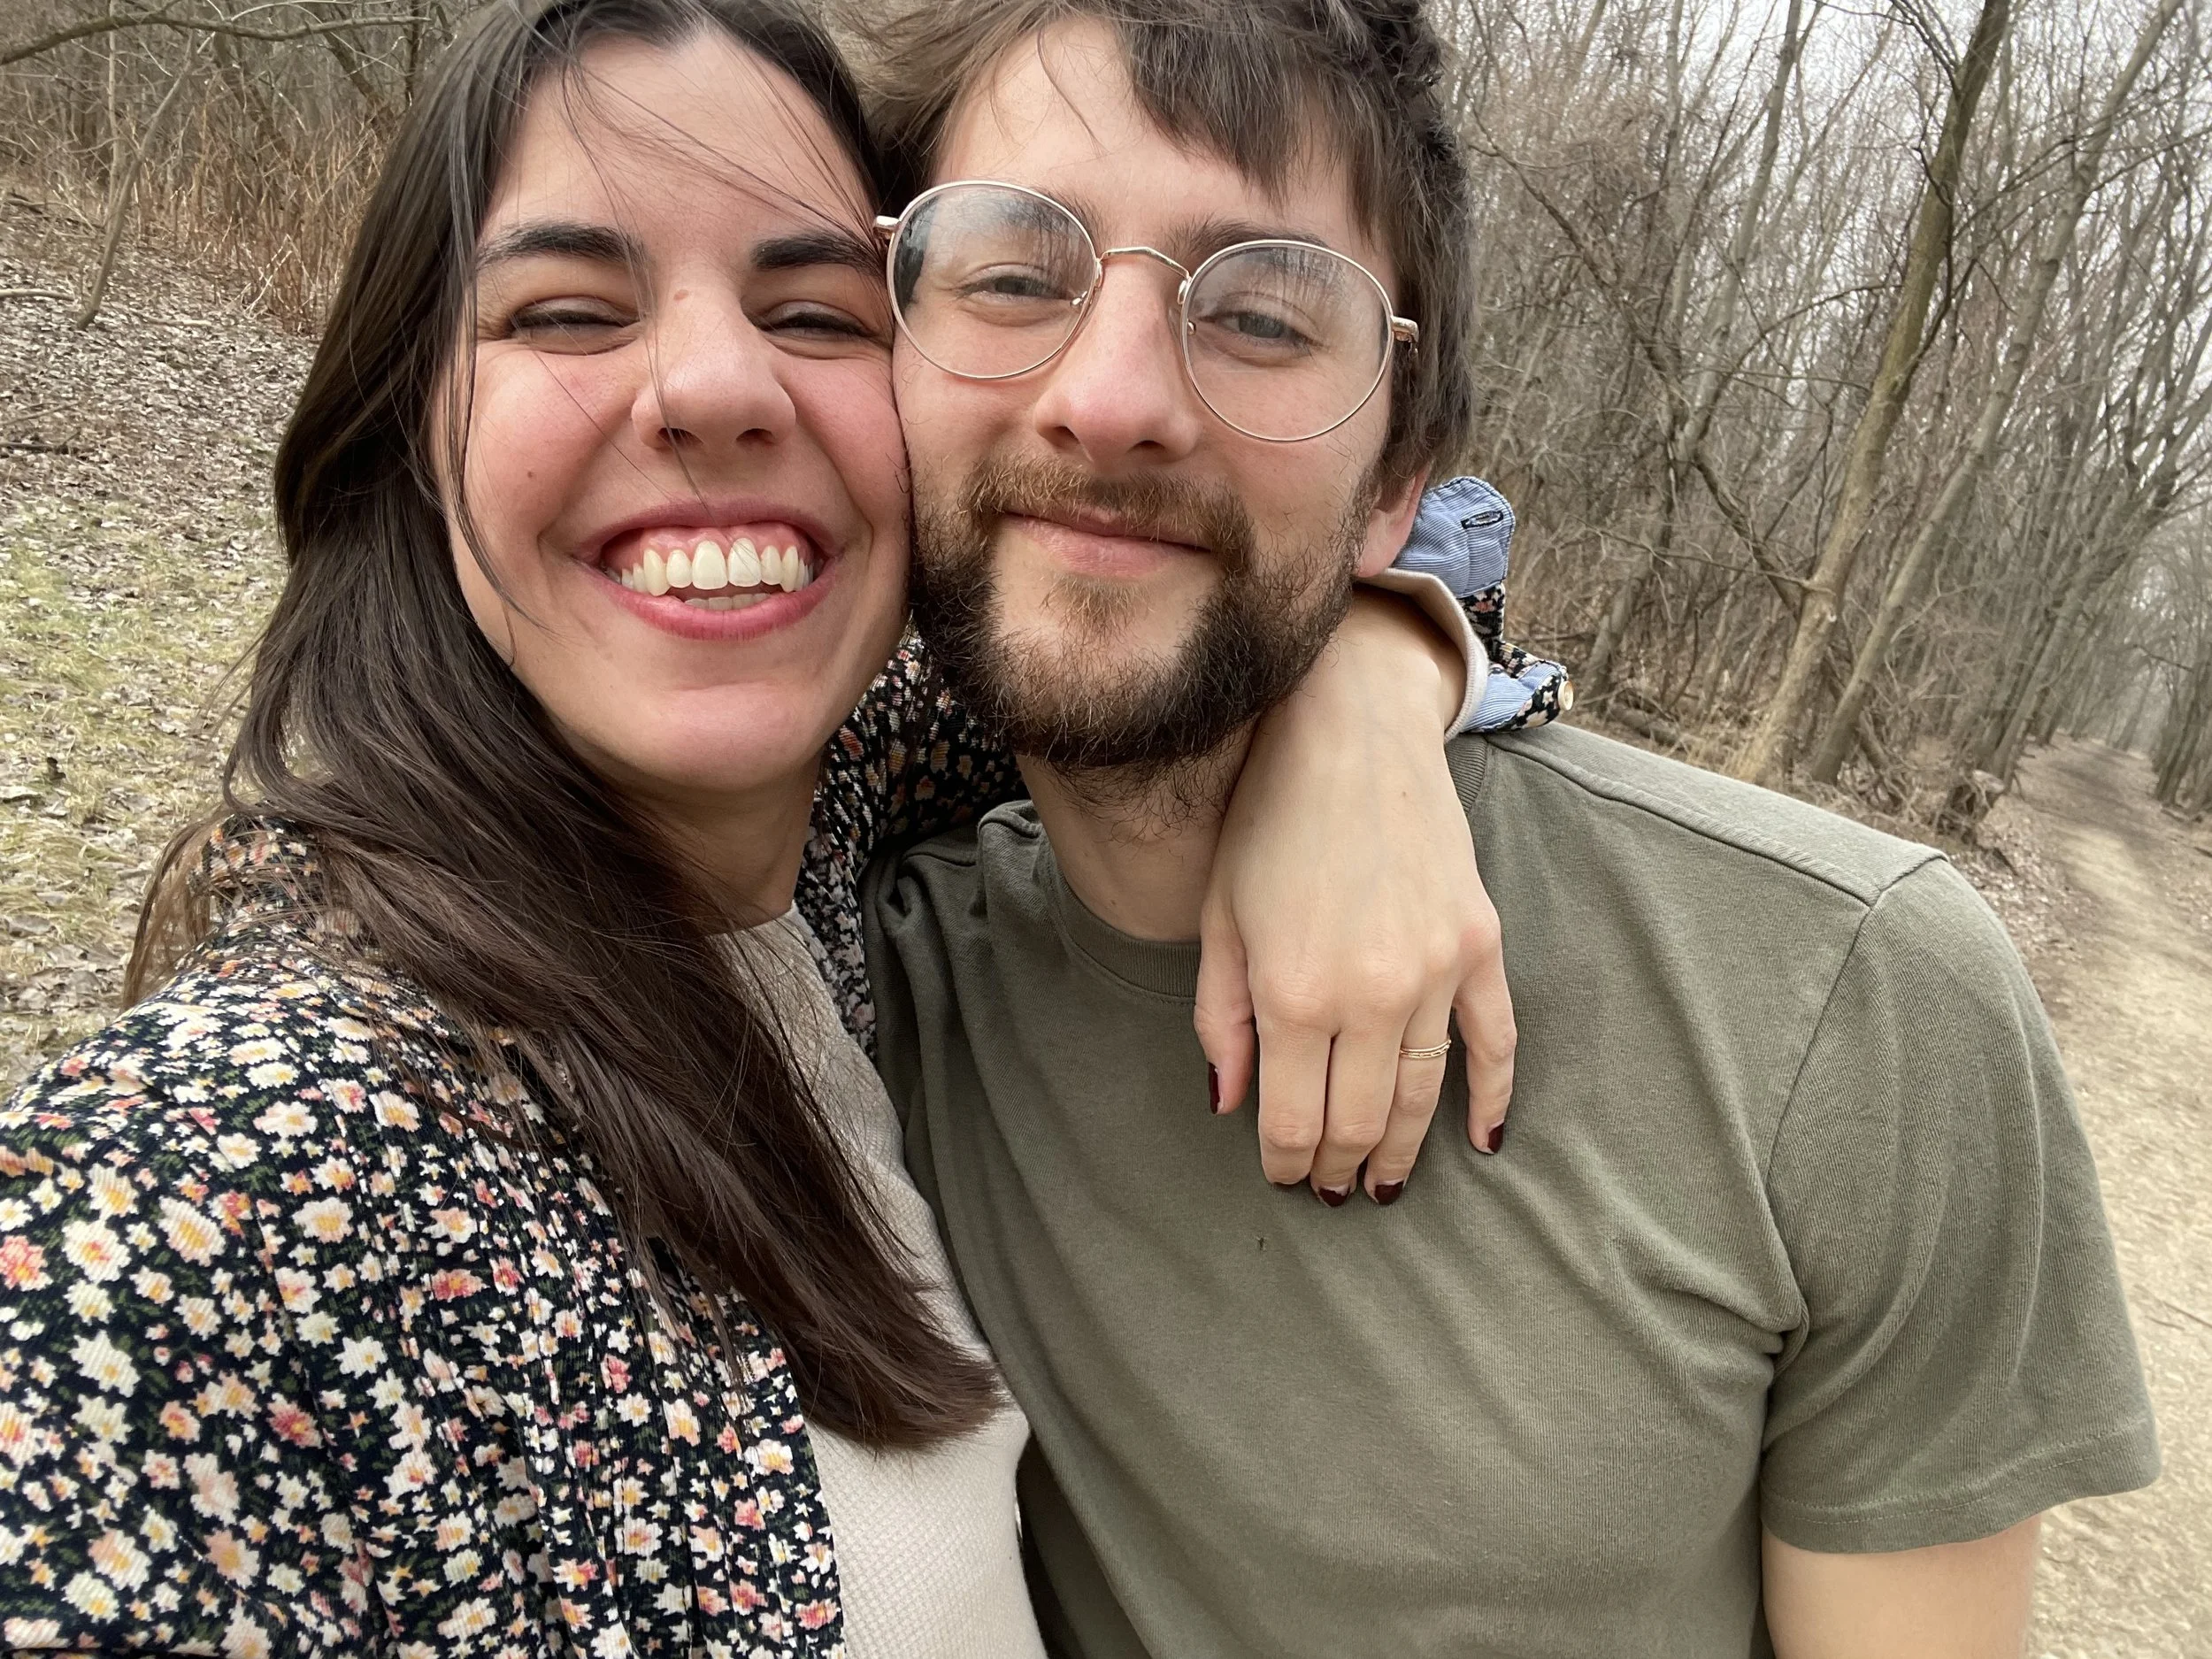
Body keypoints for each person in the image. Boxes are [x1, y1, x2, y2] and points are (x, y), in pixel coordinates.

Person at [0, 0, 1541, 1653]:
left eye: (809, 308)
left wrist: (1362, 702)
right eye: (569, 310)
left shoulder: (835, 800)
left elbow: (1257, 558)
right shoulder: (207, 1196)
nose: (717, 385)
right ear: (413, 430)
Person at [856, 2, 2163, 1654]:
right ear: (874, 342)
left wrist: (1385, 664)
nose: (1108, 399)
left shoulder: (1852, 1005)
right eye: (1015, 274)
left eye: (1258, 312)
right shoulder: (837, 984)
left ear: (1402, 473)